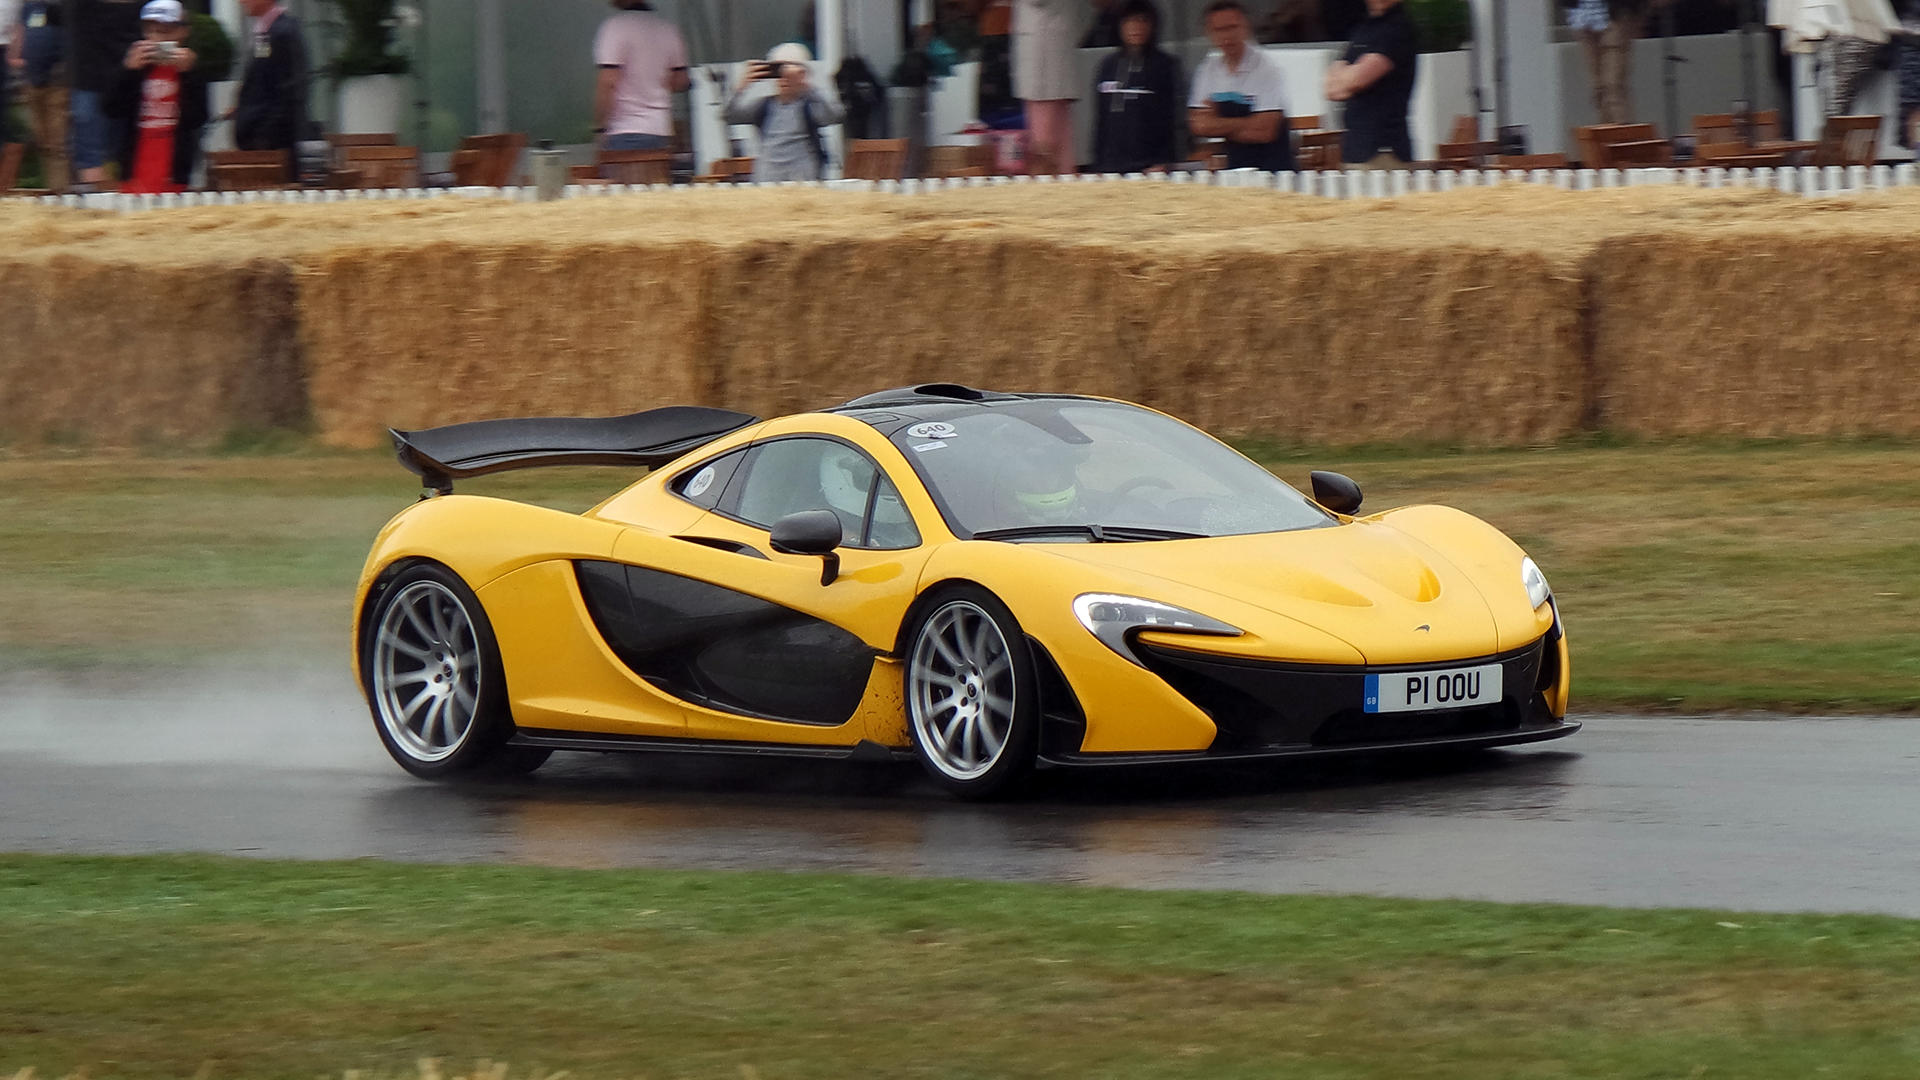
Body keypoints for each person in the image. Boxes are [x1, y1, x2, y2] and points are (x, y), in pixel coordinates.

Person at [105, 0, 203, 192]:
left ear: (183, 32)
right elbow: (111, 108)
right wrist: (129, 71)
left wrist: (188, 75)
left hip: (173, 169)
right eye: (151, 31)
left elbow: (198, 117)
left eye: (166, 32)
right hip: (135, 167)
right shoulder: (137, 65)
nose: (157, 39)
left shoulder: (190, 68)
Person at [1187, 0, 1291, 172]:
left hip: (1274, 169)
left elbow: (1266, 131)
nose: (1227, 35)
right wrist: (1249, 123)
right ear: (1209, 33)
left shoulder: (1267, 68)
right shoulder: (1207, 69)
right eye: (1219, 30)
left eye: (1232, 27)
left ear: (1246, 27)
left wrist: (1218, 125)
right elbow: (1199, 125)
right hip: (1235, 168)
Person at [724, 42, 844, 182]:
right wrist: (741, 86)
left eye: (789, 71)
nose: (783, 78)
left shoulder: (810, 106)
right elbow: (729, 116)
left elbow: (836, 115)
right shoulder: (763, 106)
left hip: (803, 178)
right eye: (778, 71)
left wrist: (809, 87)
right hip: (767, 179)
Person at [1091, 0, 1180, 174]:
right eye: (1130, 21)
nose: (1136, 27)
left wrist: (1165, 160)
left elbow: (1173, 118)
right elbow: (1101, 121)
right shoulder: (1108, 66)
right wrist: (1098, 165)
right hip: (1111, 166)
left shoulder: (1165, 65)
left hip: (1151, 166)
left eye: (1143, 20)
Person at [1326, 0, 1416, 168]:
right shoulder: (1363, 28)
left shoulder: (1397, 29)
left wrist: (1347, 77)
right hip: (1356, 149)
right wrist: (1347, 79)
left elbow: (1357, 80)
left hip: (1383, 152)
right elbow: (1331, 89)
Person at [65, 0, 143, 188]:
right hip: (90, 82)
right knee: (92, 157)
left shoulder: (148, 9)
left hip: (130, 81)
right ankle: (94, 196)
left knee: (130, 155)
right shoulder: (82, 6)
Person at [593, 0, 688, 152]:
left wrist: (600, 128)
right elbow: (681, 80)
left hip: (624, 131)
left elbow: (608, 82)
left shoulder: (615, 27)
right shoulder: (668, 29)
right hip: (660, 130)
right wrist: (654, 87)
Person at [1012, 0, 1081, 174]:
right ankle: (1063, 175)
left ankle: (1049, 179)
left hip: (1043, 51)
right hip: (1048, 45)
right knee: (1059, 132)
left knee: (1045, 139)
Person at [231, 0, 308, 154]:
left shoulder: (282, 33)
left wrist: (264, 135)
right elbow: (264, 79)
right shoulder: (268, 31)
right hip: (260, 141)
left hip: (273, 145)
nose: (241, 1)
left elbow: (290, 91)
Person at [11, 0, 68, 189]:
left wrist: (64, 66)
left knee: (57, 140)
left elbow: (71, 38)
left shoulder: (63, 7)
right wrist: (15, 57)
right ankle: (53, 187)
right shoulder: (29, 7)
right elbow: (21, 32)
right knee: (41, 138)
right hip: (31, 80)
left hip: (57, 81)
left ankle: (61, 190)